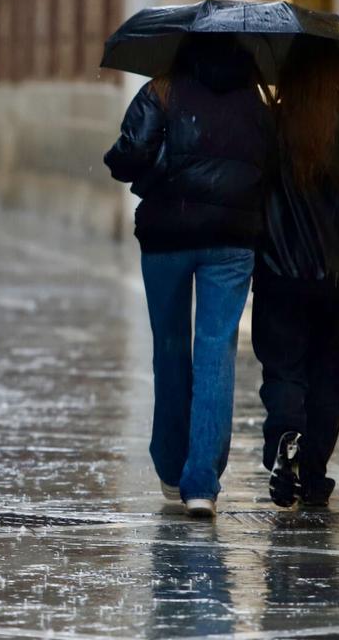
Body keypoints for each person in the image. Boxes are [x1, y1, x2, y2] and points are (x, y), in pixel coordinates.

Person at [104, 34, 273, 519]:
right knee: (217, 350)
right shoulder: (255, 101)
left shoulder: (161, 90)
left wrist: (130, 162)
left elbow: (129, 155)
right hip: (232, 240)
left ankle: (171, 463)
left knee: (171, 345)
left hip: (167, 235)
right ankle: (202, 484)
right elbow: (270, 167)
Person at [254, 38, 339, 509]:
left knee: (284, 367)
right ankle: (313, 475)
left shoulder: (274, 124)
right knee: (330, 375)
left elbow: (255, 181)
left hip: (280, 268)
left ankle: (286, 435)